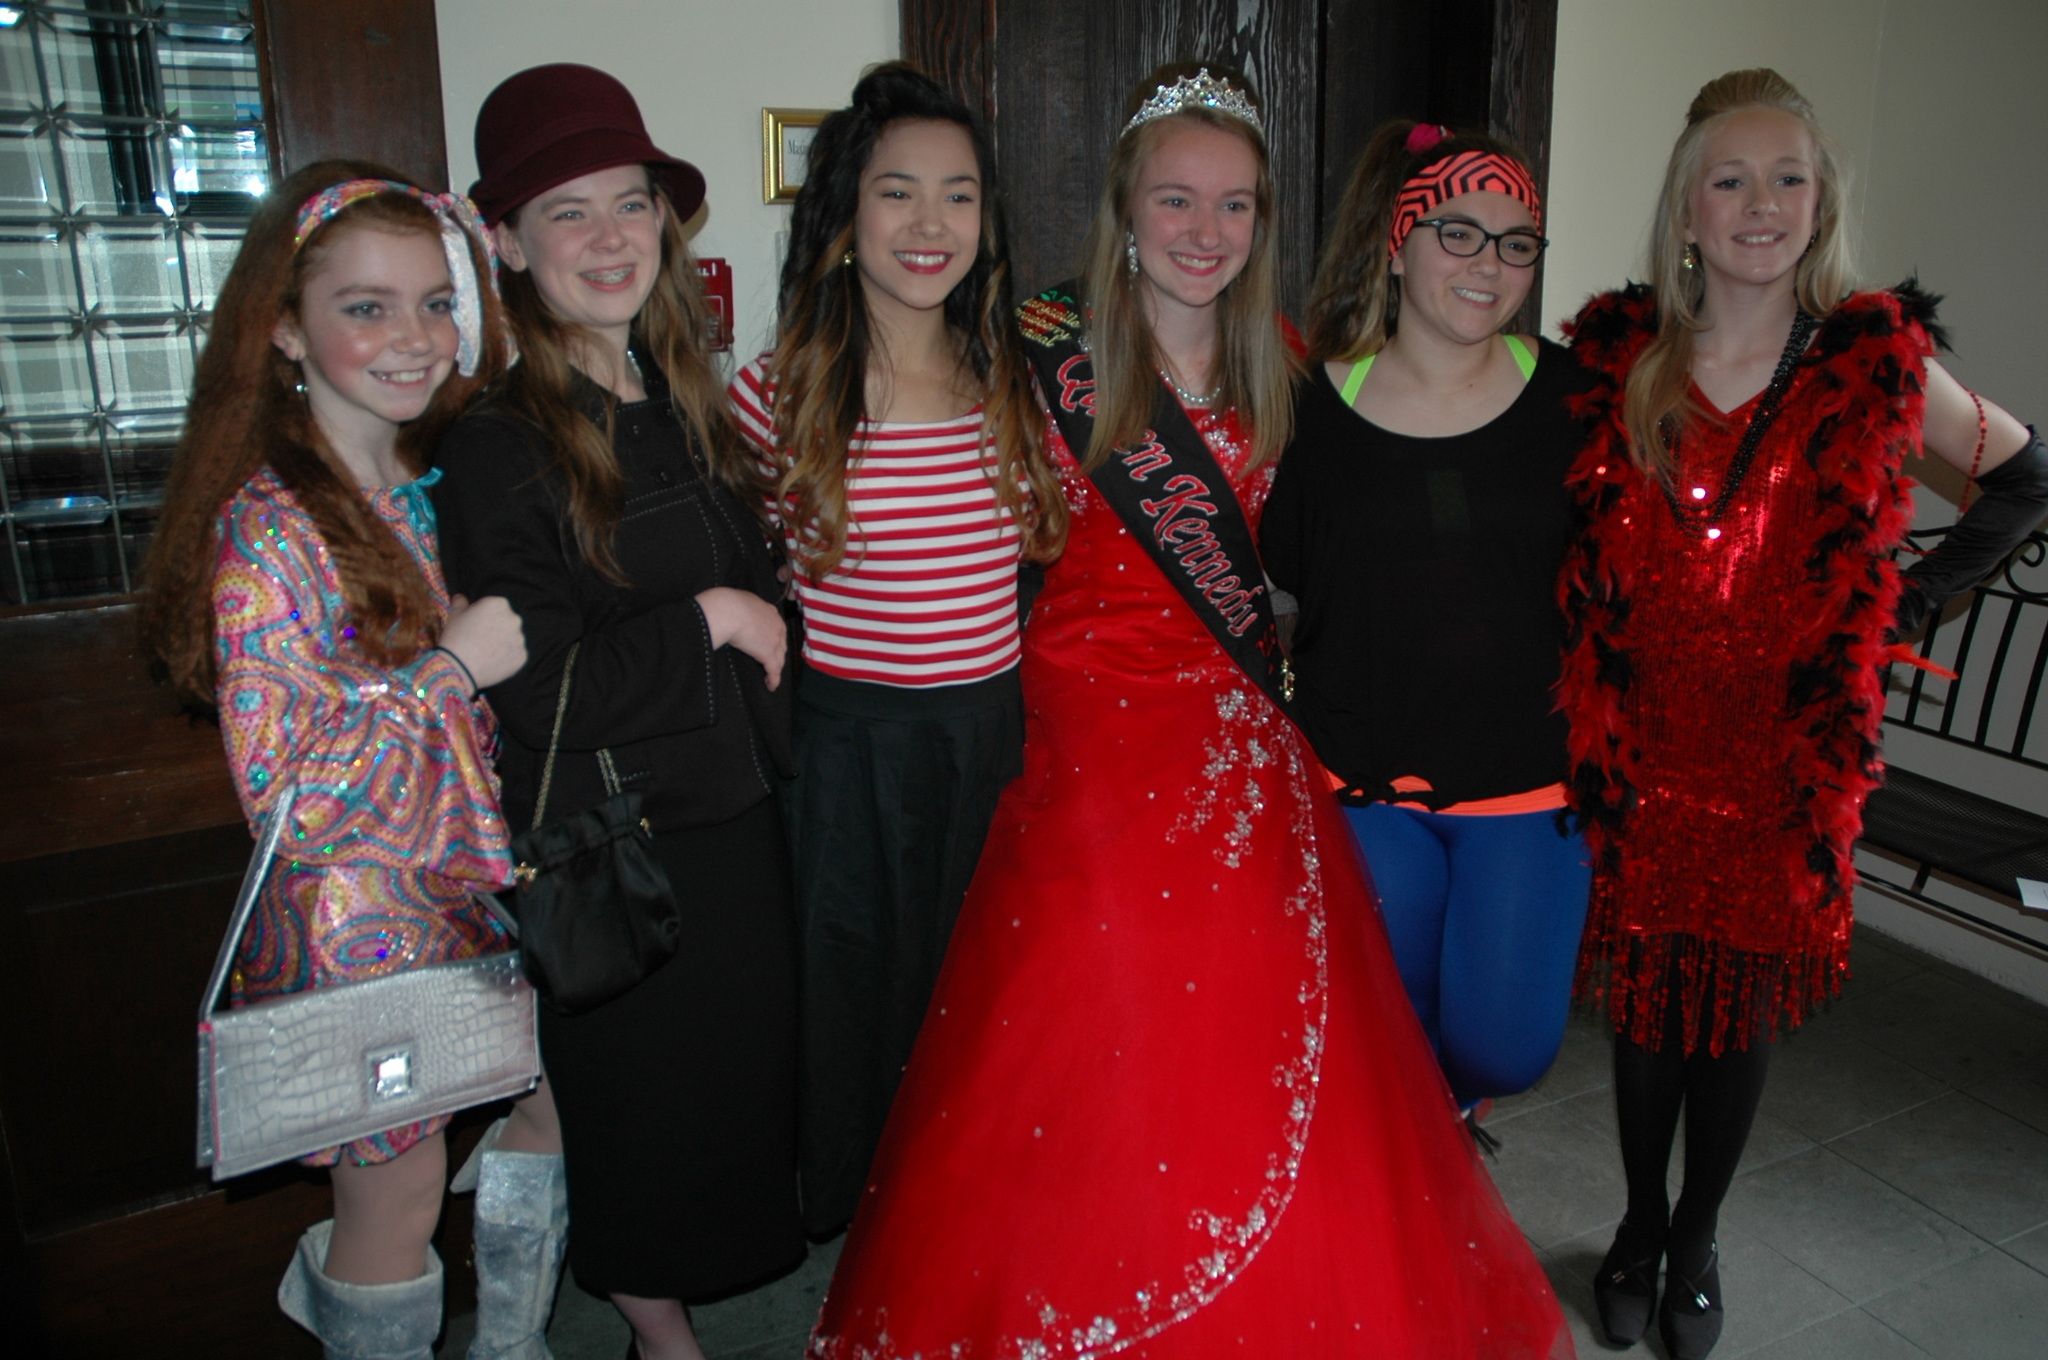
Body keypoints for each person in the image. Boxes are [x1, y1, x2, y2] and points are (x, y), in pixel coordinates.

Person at [809, 64, 1572, 1359]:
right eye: (1176, 200)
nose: (1204, 232)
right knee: (1095, 997)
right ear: (1124, 209)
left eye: (1234, 206)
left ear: (1264, 222)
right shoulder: (1039, 344)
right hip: (1078, 725)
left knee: (1270, 1013)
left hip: (1234, 725)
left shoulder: (1287, 363)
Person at [1560, 68, 2048, 1360]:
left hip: (1788, 756)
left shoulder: (1875, 363)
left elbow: (2024, 480)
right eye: (1732, 177)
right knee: (1653, 1004)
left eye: (1788, 177)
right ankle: (1636, 1223)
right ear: (1688, 206)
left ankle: (1699, 1238)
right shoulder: (1620, 356)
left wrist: (1907, 605)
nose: (1760, 203)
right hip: (1653, 742)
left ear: (1821, 201)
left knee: (1742, 1012)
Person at [140, 161, 567, 1360]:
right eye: (365, 307)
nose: (412, 336)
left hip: (468, 889)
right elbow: (289, 790)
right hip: (359, 923)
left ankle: (513, 1342)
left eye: (435, 301)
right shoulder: (270, 524)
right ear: (284, 329)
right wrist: (449, 671)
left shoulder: (423, 487)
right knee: (398, 1189)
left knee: (542, 1106)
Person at [432, 64, 804, 1360]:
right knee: (646, 1114)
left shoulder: (679, 394)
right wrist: (707, 620)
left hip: (734, 808)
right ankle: (658, 1330)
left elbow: (760, 591)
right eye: (566, 212)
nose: (607, 239)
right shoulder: (497, 440)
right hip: (620, 840)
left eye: (629, 204)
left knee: (734, 1098)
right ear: (506, 240)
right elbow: (540, 692)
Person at [727, 62, 1066, 1240]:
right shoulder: (777, 398)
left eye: (959, 196)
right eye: (898, 192)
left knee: (976, 996)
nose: (931, 225)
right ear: (843, 213)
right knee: (857, 1000)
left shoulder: (1015, 386)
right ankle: (871, 1229)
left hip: (987, 743)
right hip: (843, 756)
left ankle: (968, 1212)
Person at [1260, 121, 1593, 1121]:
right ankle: (1417, 1203)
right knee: (1384, 1033)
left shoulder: (1584, 396)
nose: (1486, 264)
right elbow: (1277, 572)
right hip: (1361, 782)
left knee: (1504, 1047)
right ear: (1396, 244)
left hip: (1528, 787)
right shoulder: (1306, 402)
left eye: (1513, 241)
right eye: (1455, 231)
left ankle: (1441, 1127)